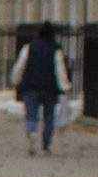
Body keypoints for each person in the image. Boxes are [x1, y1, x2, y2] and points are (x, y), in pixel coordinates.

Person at [10, 22, 69, 155]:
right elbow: (60, 69)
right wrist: (65, 86)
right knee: (49, 116)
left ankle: (31, 133)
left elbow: (20, 66)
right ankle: (46, 144)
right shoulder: (55, 49)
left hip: (30, 86)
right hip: (50, 88)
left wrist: (16, 80)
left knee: (31, 114)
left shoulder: (29, 47)